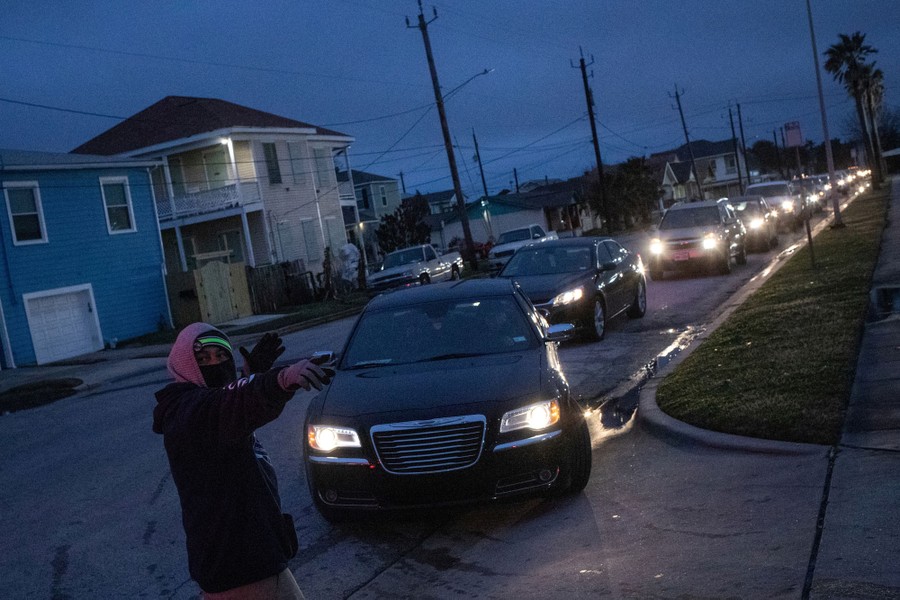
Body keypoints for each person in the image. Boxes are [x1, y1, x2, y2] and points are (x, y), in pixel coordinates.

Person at [152, 322, 333, 599]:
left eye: (221, 356)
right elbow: (226, 404)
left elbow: (232, 406)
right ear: (183, 365)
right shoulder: (187, 412)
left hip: (249, 559)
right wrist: (277, 380)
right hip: (241, 566)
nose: (215, 363)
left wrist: (250, 377)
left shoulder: (210, 408)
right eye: (202, 358)